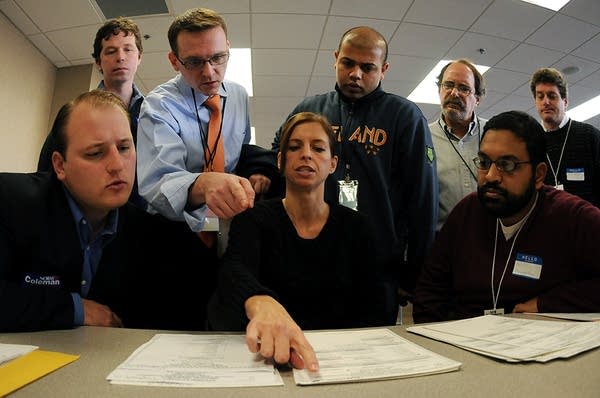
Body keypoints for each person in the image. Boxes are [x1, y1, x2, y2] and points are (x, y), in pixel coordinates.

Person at [0, 90, 213, 332]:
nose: (117, 165)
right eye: (95, 153)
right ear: (60, 165)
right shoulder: (10, 201)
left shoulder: (153, 233)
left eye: (124, 148)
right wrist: (75, 309)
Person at [271, 26, 438, 322]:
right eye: (348, 63)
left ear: (383, 69)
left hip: (377, 266)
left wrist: (413, 275)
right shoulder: (310, 110)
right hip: (311, 260)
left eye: (367, 67)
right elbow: (277, 158)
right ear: (335, 59)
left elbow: (423, 200)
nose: (355, 74)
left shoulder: (405, 116)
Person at [208, 112, 388, 370]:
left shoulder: (357, 228)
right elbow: (233, 270)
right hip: (267, 359)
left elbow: (375, 306)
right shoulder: (254, 220)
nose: (306, 154)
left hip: (340, 363)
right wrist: (259, 300)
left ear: (333, 163)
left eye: (318, 148)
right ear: (280, 161)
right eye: (294, 147)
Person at [413, 110, 600, 323]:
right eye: (484, 162)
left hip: (537, 343)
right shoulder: (466, 213)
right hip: (466, 340)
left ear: (538, 175)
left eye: (507, 165)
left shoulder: (572, 217)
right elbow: (429, 292)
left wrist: (547, 303)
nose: (491, 176)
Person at [136, 7, 273, 242]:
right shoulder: (158, 105)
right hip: (176, 232)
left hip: (228, 225)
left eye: (218, 57)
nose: (209, 72)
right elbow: (158, 185)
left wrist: (254, 172)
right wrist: (204, 184)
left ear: (228, 48)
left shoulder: (239, 95)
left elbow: (240, 151)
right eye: (194, 61)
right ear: (174, 61)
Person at [37, 17, 146, 208]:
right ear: (98, 62)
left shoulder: (154, 115)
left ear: (139, 57)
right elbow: (47, 175)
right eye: (111, 51)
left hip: (140, 222)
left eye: (128, 49)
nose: (120, 57)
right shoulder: (76, 116)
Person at [430, 59, 487, 231]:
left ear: (477, 98)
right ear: (439, 90)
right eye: (448, 85)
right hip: (442, 243)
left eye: (464, 88)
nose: (454, 93)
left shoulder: (494, 132)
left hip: (491, 240)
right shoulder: (423, 137)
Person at [530, 67, 600, 207]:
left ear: (565, 102)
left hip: (586, 224)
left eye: (552, 96)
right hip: (546, 224)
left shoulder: (590, 136)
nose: (546, 102)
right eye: (540, 96)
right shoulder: (530, 141)